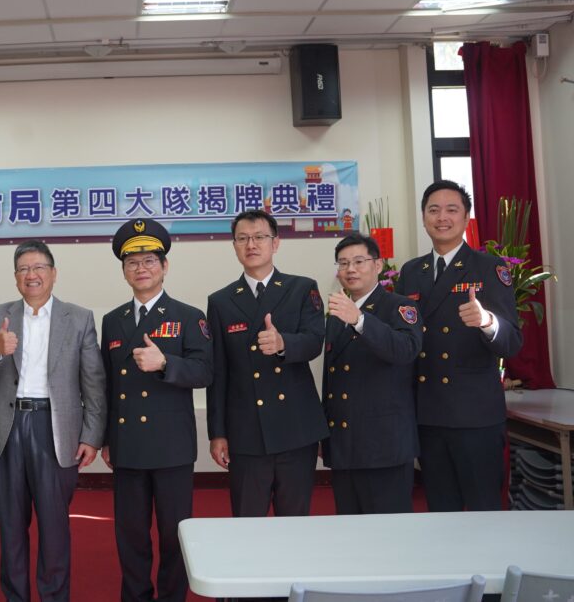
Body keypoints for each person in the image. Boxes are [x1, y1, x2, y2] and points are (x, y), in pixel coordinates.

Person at [0, 240, 106, 602]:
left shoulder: (79, 318)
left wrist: (92, 435)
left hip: (55, 430)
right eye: (23, 269)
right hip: (7, 429)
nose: (31, 274)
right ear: (15, 277)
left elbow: (93, 381)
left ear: (53, 273)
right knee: (11, 527)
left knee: (54, 528)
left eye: (39, 267)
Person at [99, 219, 212, 602]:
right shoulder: (113, 320)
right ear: (123, 271)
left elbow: (205, 372)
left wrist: (165, 363)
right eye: (132, 262)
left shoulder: (189, 316)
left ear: (165, 267)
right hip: (128, 445)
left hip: (171, 448)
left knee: (172, 533)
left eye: (149, 260)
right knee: (130, 534)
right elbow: (108, 384)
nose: (141, 268)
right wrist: (106, 438)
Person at [397, 180, 523, 511]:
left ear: (466, 217)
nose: (442, 218)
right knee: (441, 510)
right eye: (433, 210)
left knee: (483, 510)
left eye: (452, 210)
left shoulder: (489, 267)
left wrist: (487, 321)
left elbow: (512, 341)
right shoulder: (412, 272)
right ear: (423, 217)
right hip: (428, 413)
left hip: (474, 416)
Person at [205, 209, 328, 517]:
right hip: (246, 433)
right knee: (248, 524)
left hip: (295, 428)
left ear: (276, 243)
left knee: (294, 521)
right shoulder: (221, 301)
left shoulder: (302, 288)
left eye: (259, 237)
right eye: (242, 238)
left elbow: (315, 341)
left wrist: (284, 343)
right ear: (234, 246)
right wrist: (217, 433)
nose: (251, 244)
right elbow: (218, 372)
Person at [322, 233, 422, 514]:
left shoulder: (400, 306)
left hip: (384, 446)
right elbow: (331, 380)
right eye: (343, 263)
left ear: (378, 265)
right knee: (350, 529)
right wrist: (326, 435)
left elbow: (405, 350)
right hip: (345, 445)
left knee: (389, 531)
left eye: (358, 261)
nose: (350, 269)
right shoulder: (337, 315)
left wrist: (360, 320)